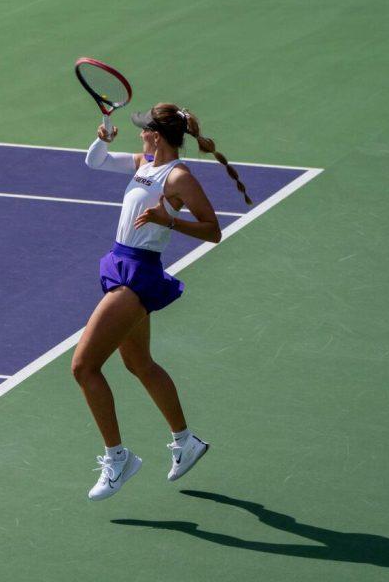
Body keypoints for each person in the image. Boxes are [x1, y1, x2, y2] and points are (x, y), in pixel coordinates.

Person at [75, 103, 252, 500]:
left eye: (144, 129)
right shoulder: (144, 162)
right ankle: (185, 441)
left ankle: (117, 458)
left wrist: (167, 219)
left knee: (84, 367)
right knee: (138, 362)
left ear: (157, 134)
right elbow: (96, 161)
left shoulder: (179, 177)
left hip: (136, 276)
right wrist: (101, 135)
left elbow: (213, 230)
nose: (139, 133)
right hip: (120, 263)